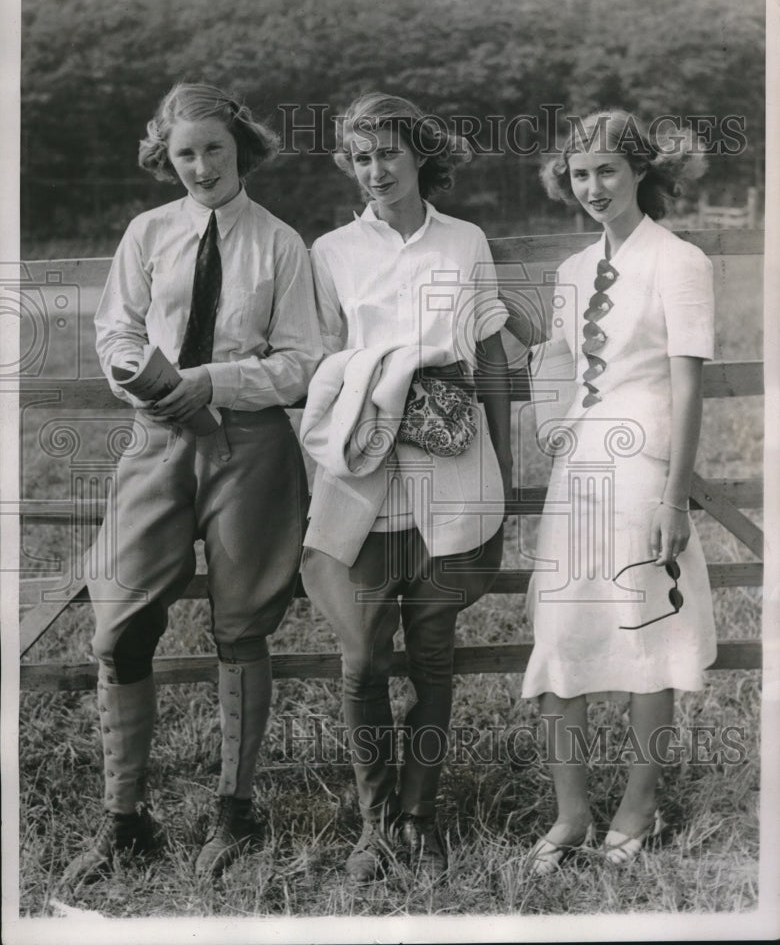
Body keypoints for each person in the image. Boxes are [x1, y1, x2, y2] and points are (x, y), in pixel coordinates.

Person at [60, 82, 322, 887]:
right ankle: (124, 817)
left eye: (215, 149)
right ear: (163, 157)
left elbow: (303, 361)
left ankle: (234, 813)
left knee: (240, 630)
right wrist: (149, 379)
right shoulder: (149, 233)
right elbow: (117, 330)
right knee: (118, 629)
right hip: (158, 438)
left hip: (249, 448)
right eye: (185, 154)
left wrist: (213, 382)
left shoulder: (280, 244)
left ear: (240, 148)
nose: (202, 167)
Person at [299, 92, 515, 883]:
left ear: (421, 153)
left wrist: (503, 466)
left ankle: (419, 815)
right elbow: (320, 372)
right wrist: (371, 380)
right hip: (364, 461)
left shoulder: (465, 241)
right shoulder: (330, 252)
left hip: (453, 457)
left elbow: (492, 357)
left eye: (389, 151)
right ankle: (372, 823)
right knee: (360, 660)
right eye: (361, 157)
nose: (375, 169)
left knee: (432, 652)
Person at [521, 109, 717, 873]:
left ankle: (639, 806)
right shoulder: (572, 272)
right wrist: (551, 417)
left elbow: (687, 388)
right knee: (561, 634)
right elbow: (559, 363)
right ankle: (572, 814)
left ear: (639, 170)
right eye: (579, 175)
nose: (593, 187)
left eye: (607, 170)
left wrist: (673, 501)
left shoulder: (679, 261)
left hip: (644, 474)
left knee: (645, 637)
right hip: (580, 474)